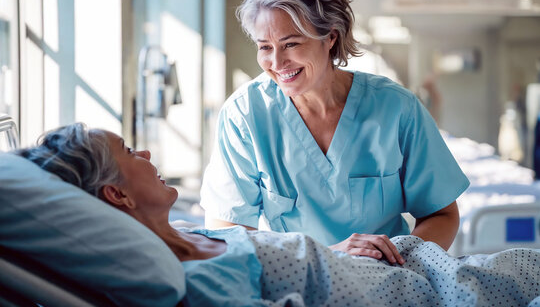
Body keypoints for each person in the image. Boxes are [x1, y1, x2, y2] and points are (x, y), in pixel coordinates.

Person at [14, 124, 540, 306]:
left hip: (413, 265)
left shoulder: (191, 236)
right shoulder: (195, 283)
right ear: (118, 198)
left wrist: (335, 252)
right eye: (131, 152)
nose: (148, 155)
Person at [200, 0, 470, 263]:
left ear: (330, 36)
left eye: (291, 43)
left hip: (388, 279)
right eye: (265, 47)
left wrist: (396, 265)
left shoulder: (396, 108)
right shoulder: (245, 115)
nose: (277, 62)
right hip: (295, 280)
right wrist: (327, 258)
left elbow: (442, 214)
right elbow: (229, 232)